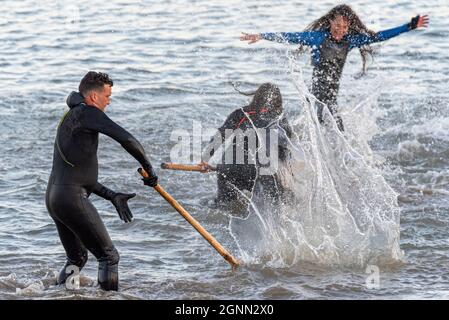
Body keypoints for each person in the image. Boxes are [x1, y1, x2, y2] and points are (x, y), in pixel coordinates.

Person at [45, 71, 158, 291]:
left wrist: (112, 196)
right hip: (70, 198)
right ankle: (108, 298)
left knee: (77, 259)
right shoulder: (89, 113)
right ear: (94, 97)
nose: (109, 101)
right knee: (109, 257)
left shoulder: (71, 117)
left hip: (54, 198)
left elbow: (79, 174)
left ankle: (59, 294)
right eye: (107, 96)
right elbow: (127, 139)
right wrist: (149, 168)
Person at [240, 4, 429, 131]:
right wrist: (262, 36)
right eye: (338, 25)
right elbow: (291, 36)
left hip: (332, 98)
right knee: (326, 127)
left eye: (345, 27)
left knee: (336, 131)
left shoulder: (351, 41)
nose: (341, 30)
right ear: (330, 22)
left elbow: (379, 36)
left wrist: (408, 26)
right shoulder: (317, 38)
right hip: (317, 97)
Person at [201, 83, 293, 210]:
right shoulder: (280, 120)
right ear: (278, 102)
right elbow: (284, 152)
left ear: (256, 97)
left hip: (229, 169)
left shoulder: (241, 113)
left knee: (222, 206)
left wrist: (204, 160)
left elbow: (220, 136)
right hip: (260, 172)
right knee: (280, 203)